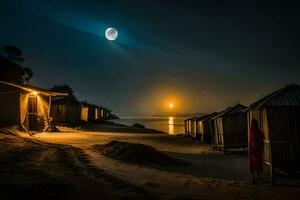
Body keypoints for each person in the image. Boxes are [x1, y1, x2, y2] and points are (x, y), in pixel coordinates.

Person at [249, 119, 264, 183]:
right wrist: (253, 146)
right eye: (252, 124)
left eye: (254, 124)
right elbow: (251, 140)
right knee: (252, 163)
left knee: (258, 162)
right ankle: (253, 178)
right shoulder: (251, 131)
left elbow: (261, 138)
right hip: (252, 149)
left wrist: (256, 145)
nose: (253, 125)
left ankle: (258, 176)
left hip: (258, 149)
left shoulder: (259, 132)